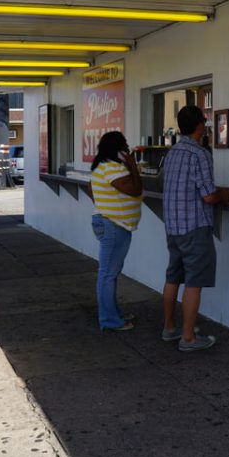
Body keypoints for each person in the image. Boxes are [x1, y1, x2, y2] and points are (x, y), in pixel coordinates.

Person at [162, 105, 229, 352]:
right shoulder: (199, 154)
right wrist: (223, 193)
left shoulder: (172, 153)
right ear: (200, 126)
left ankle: (170, 328)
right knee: (194, 280)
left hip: (173, 227)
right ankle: (189, 338)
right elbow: (209, 197)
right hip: (194, 227)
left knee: (173, 277)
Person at [90, 131, 143, 332]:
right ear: (118, 149)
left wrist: (102, 206)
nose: (128, 149)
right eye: (125, 146)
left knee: (110, 273)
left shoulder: (102, 167)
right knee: (107, 274)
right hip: (113, 225)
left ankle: (113, 313)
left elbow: (90, 187)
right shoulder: (111, 168)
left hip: (111, 223)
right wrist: (132, 165)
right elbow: (135, 190)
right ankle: (109, 320)